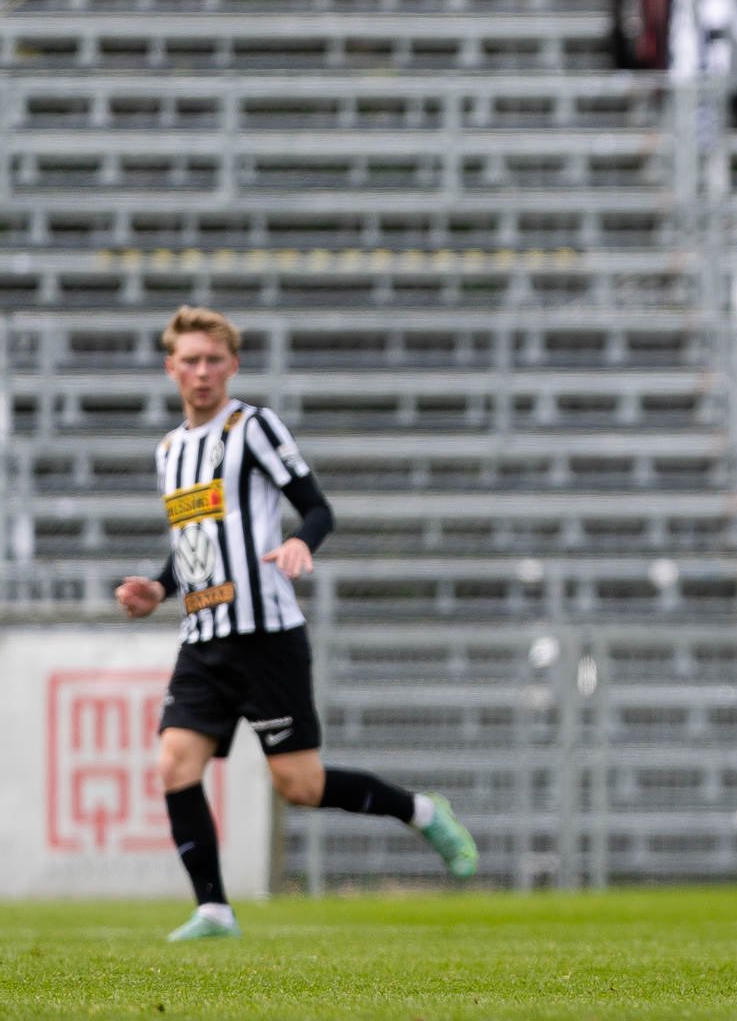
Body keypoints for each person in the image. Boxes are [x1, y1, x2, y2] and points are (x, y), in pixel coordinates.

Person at [114, 306, 478, 942]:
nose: (202, 373)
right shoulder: (169, 450)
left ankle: (422, 811)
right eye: (191, 361)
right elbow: (196, 543)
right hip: (203, 640)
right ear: (171, 367)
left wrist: (301, 543)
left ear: (233, 365)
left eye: (214, 360)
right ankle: (214, 911)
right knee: (174, 764)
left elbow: (316, 507)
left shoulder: (252, 428)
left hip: (266, 638)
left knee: (300, 786)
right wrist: (160, 587)